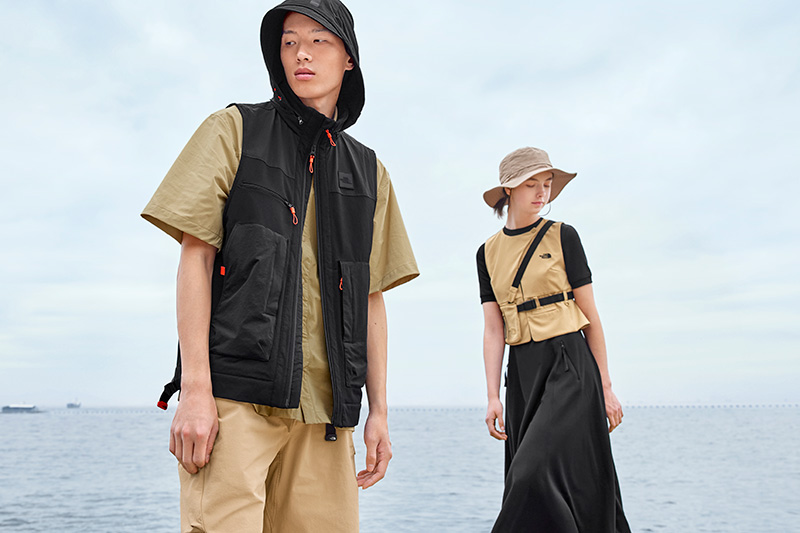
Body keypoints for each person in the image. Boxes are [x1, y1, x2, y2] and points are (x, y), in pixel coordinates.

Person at [141, 1, 419, 531]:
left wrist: (378, 412)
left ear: (349, 58)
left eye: (318, 41)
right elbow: (195, 258)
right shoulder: (233, 130)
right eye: (289, 42)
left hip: (327, 416)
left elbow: (371, 299)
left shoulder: (370, 172)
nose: (301, 54)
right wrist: (195, 391)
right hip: (235, 402)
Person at [477, 147, 630, 532]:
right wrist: (493, 395)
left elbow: (591, 316)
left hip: (569, 366)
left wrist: (605, 386)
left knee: (531, 473)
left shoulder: (564, 236)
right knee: (533, 481)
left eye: (546, 184)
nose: (541, 192)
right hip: (522, 373)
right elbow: (494, 329)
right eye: (531, 184)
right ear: (509, 189)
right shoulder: (487, 253)